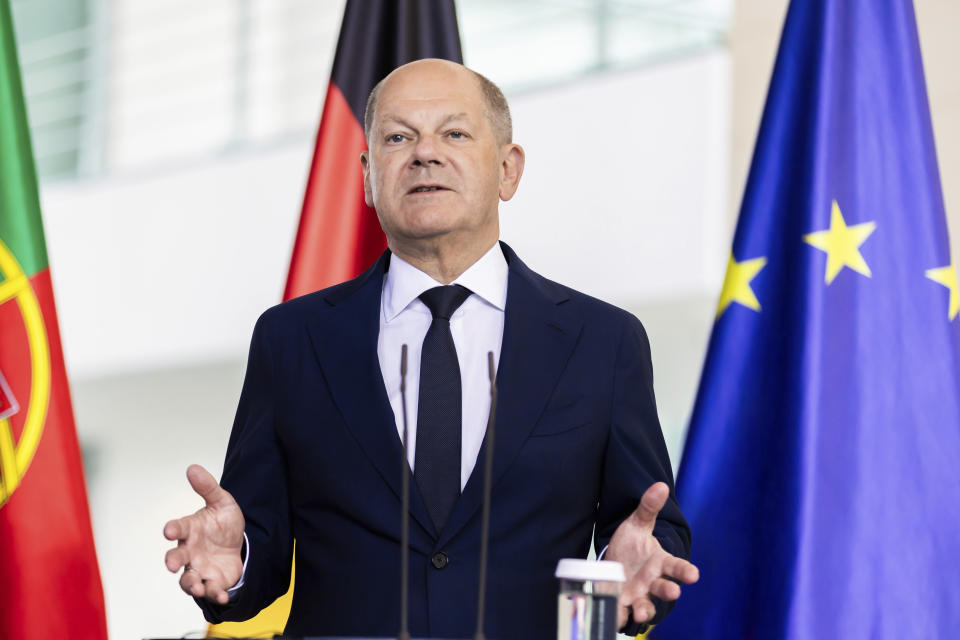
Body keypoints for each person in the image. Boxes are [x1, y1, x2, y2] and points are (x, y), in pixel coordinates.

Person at [162, 59, 699, 639]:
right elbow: (257, 555)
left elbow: (646, 531)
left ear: (508, 170)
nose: (425, 154)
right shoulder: (292, 339)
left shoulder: (603, 341)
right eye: (399, 137)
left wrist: (619, 578)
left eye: (455, 133)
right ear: (368, 177)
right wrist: (235, 563)